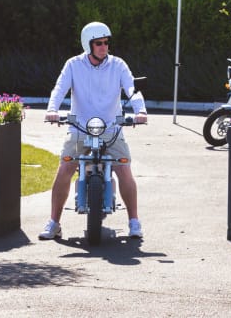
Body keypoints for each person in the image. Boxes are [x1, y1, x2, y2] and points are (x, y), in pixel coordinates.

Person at [40, 21, 149, 240]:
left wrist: (141, 111)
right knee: (65, 167)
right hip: (79, 127)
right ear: (87, 44)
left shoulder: (118, 65)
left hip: (111, 128)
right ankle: (54, 222)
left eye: (106, 43)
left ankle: (134, 221)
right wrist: (52, 110)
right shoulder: (73, 65)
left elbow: (132, 88)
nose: (104, 47)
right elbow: (59, 88)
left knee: (124, 169)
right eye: (98, 43)